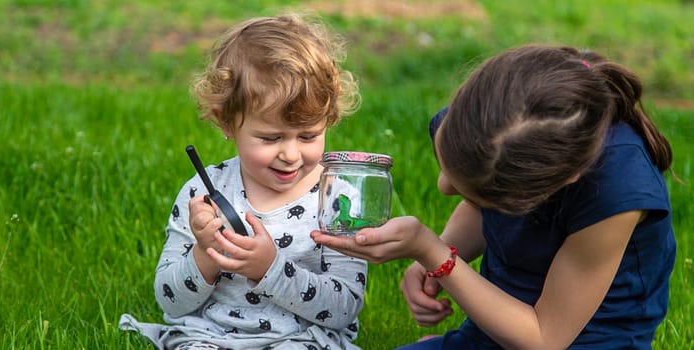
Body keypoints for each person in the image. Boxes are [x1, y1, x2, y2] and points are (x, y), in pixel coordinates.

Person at [311, 44, 676, 349]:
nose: (444, 188)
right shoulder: (482, 123)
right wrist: (435, 259)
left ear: (549, 187)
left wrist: (434, 254)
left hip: (584, 339)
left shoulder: (617, 192)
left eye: (474, 191)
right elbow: (477, 204)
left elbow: (545, 337)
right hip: (494, 325)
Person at [120, 13, 366, 350]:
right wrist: (205, 254)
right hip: (210, 336)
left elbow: (344, 309)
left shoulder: (340, 198)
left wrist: (270, 268)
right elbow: (170, 302)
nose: (291, 154)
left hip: (302, 339)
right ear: (226, 123)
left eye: (308, 135)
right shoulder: (203, 194)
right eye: (270, 138)